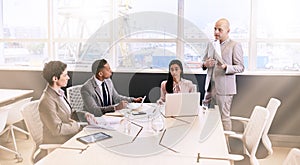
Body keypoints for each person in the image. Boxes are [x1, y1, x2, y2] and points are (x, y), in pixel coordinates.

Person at [39, 61, 96, 145]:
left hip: (69, 136)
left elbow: (69, 113)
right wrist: (78, 126)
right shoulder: (47, 101)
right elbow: (57, 130)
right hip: (58, 141)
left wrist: (85, 115)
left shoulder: (59, 92)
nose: (68, 78)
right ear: (55, 78)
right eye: (65, 75)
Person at [202, 18, 244, 130]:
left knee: (224, 118)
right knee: (206, 116)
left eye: (220, 30)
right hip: (209, 88)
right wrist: (206, 64)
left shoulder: (235, 45)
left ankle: (225, 146)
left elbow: (240, 67)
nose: (216, 32)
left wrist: (226, 67)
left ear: (228, 31)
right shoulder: (211, 44)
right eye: (215, 29)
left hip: (225, 89)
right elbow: (203, 63)